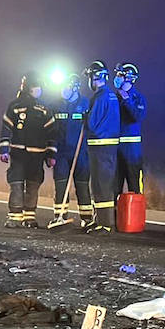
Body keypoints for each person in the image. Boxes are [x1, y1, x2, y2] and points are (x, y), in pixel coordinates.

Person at [0, 72, 56, 228]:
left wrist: (51, 154)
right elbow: (6, 128)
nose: (39, 89)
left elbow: (52, 133)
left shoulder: (44, 109)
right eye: (37, 86)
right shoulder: (15, 106)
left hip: (37, 155)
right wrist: (3, 149)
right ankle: (14, 217)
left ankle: (29, 217)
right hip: (18, 154)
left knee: (33, 185)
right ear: (31, 87)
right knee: (16, 184)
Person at [83, 60, 121, 233]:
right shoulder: (111, 95)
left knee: (101, 185)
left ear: (94, 77)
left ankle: (105, 224)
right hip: (108, 146)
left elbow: (92, 123)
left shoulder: (99, 97)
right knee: (101, 184)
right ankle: (99, 219)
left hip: (100, 146)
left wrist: (84, 117)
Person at [51, 72, 93, 225]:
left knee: (82, 185)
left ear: (75, 88)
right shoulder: (56, 105)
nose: (63, 90)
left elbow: (93, 126)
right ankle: (59, 216)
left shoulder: (86, 104)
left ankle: (87, 218)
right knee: (61, 185)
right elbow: (51, 129)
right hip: (61, 153)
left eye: (66, 87)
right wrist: (52, 151)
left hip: (81, 153)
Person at [115, 62, 146, 194]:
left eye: (120, 75)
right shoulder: (113, 98)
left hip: (133, 153)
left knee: (135, 187)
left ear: (129, 78)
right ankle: (115, 215)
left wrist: (127, 100)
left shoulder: (138, 98)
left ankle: (136, 215)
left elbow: (137, 116)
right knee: (114, 189)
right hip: (116, 150)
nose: (116, 77)